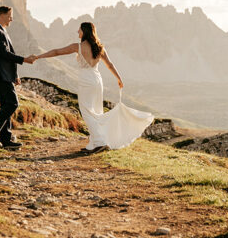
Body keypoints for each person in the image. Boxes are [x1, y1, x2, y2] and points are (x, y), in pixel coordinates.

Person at [33, 21, 153, 152]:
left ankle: (99, 142)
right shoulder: (99, 47)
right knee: (97, 111)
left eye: (79, 30)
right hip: (97, 80)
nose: (77, 32)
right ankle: (97, 141)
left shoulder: (77, 46)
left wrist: (39, 56)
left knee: (86, 111)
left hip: (86, 81)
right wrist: (119, 78)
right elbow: (110, 64)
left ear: (84, 31)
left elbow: (57, 52)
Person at [0, 6, 36, 150]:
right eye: (10, 15)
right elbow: (3, 54)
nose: (12, 18)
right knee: (12, 104)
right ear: (2, 15)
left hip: (6, 75)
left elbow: (7, 56)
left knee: (6, 105)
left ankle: (6, 139)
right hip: (1, 74)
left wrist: (15, 75)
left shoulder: (2, 31)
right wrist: (25, 59)